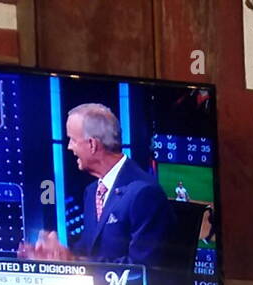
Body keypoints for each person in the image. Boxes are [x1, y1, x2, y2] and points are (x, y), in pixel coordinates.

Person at [20, 103, 171, 266]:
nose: (69, 147)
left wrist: (73, 260)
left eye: (72, 140)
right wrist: (57, 256)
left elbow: (142, 268)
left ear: (92, 144)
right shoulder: (92, 191)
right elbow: (89, 252)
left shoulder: (144, 193)